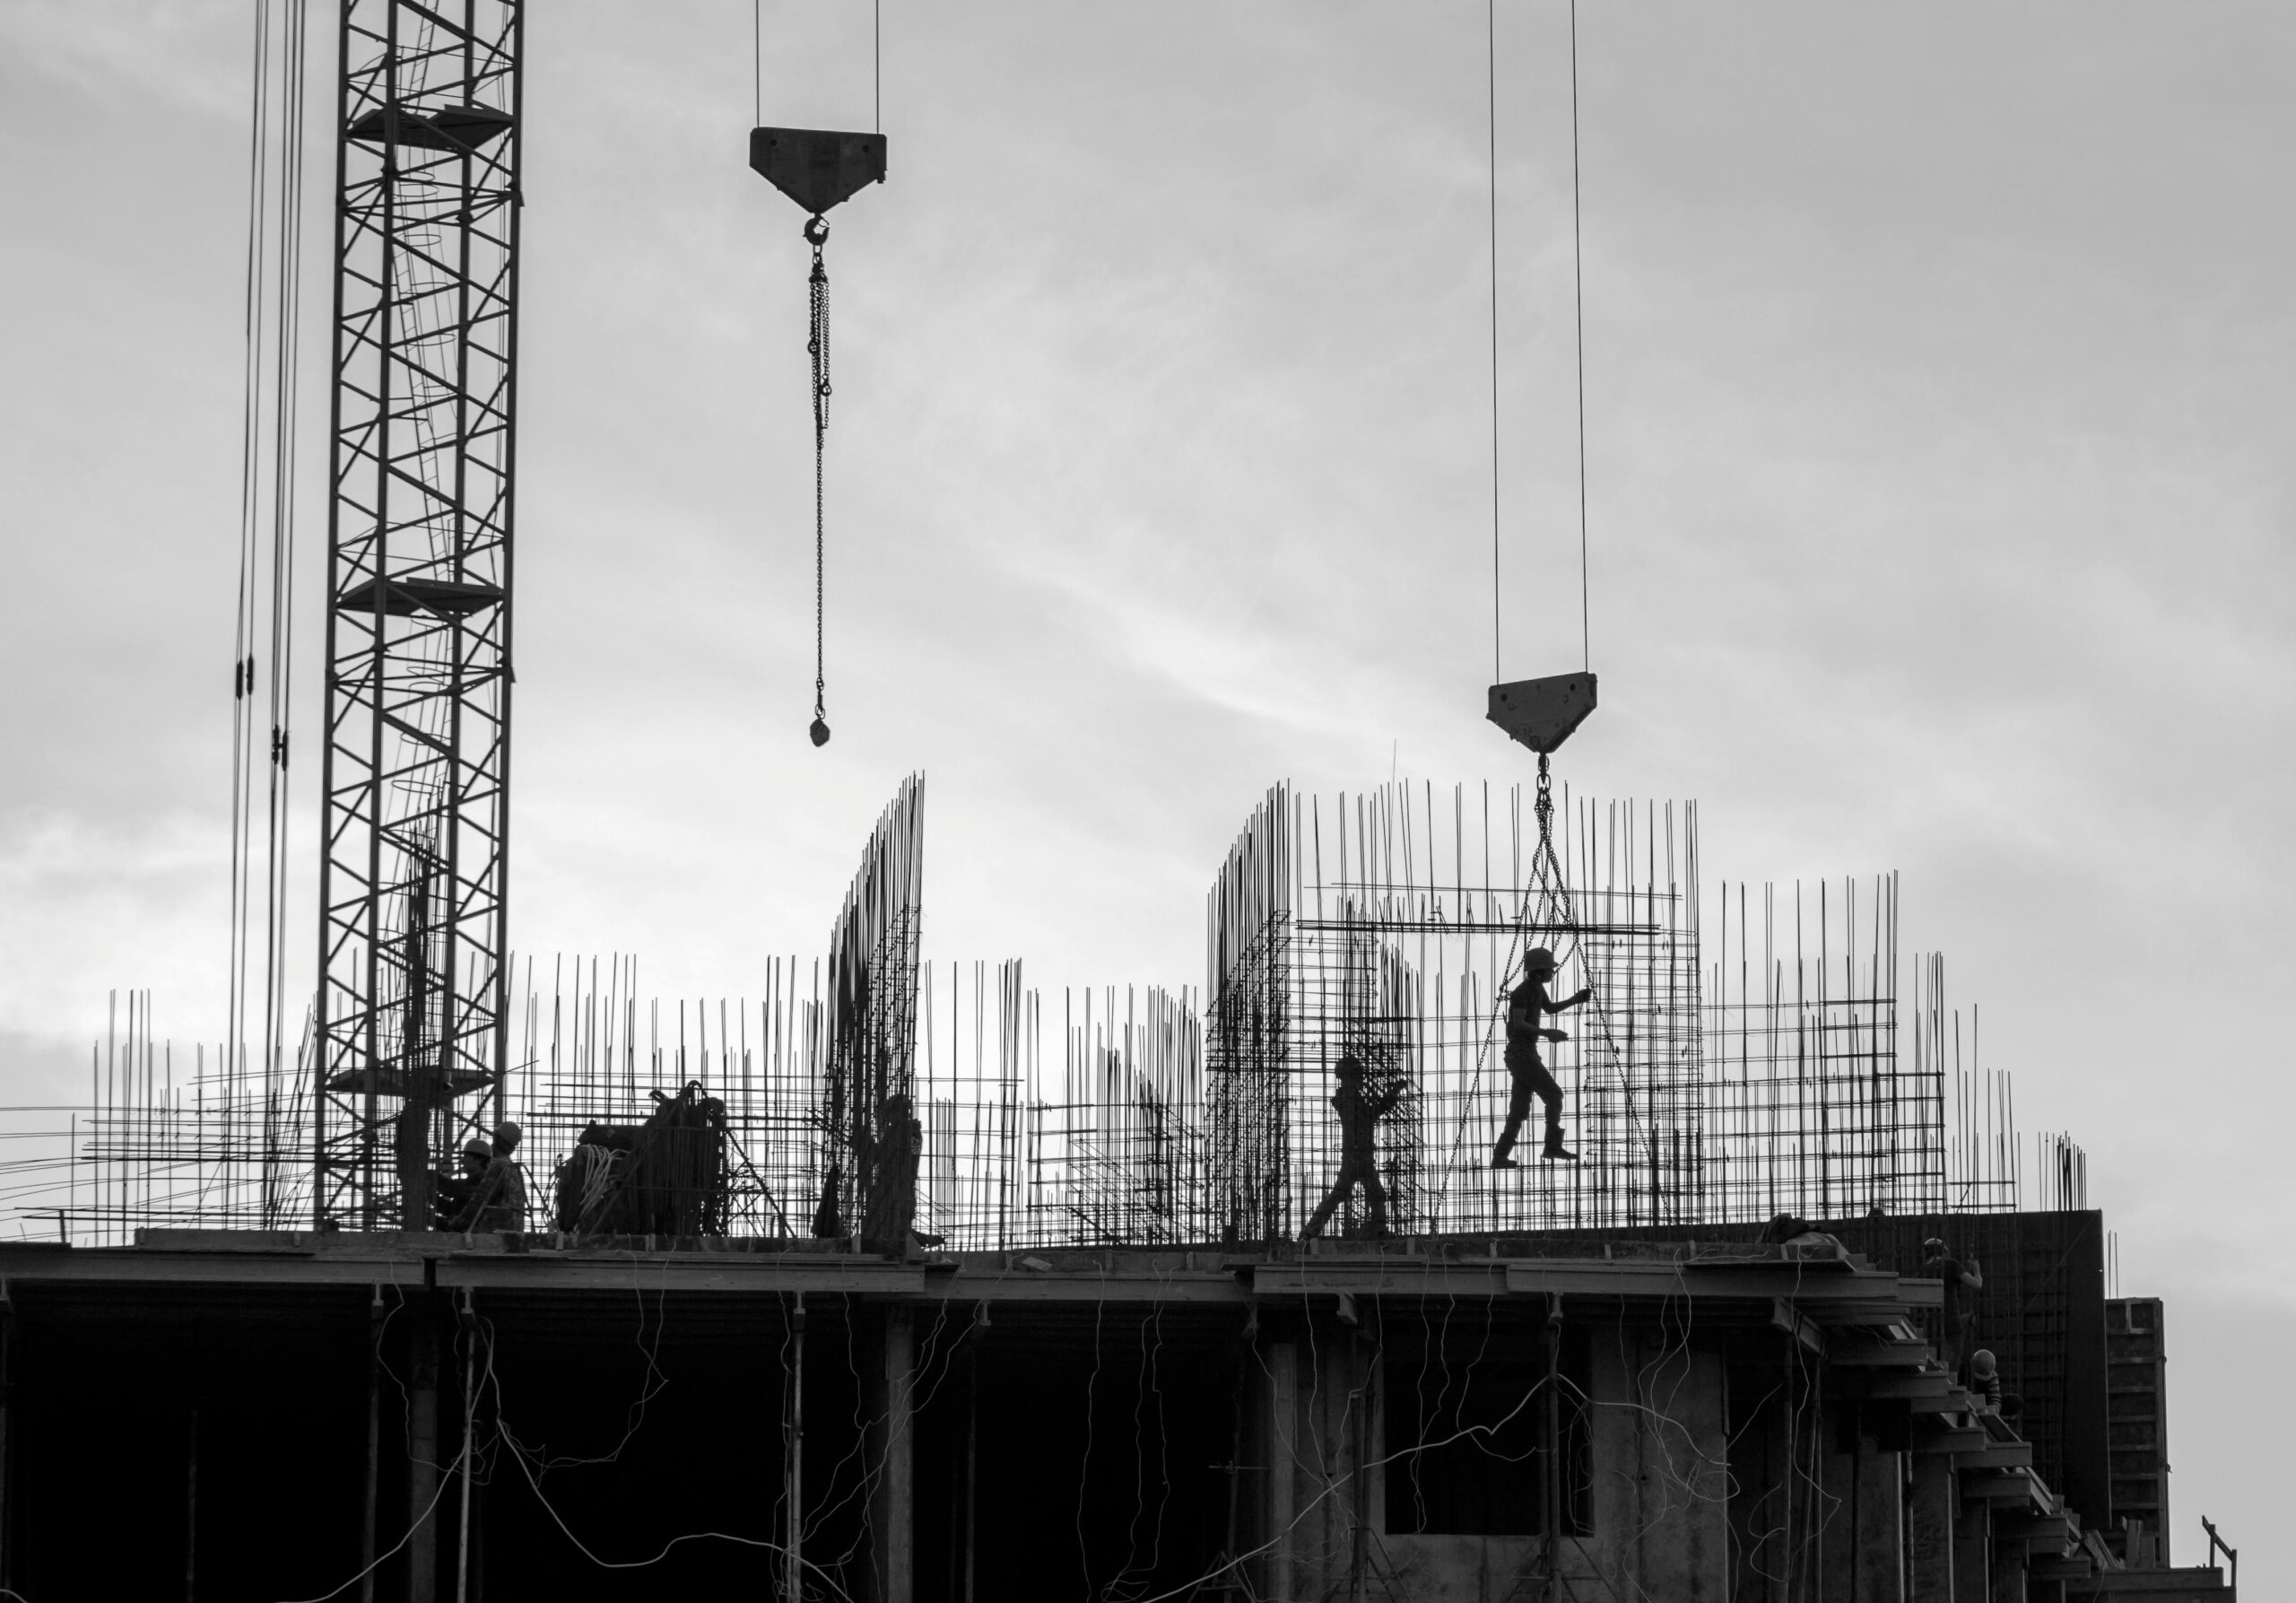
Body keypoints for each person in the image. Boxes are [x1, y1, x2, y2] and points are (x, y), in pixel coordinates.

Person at [1492, 947, 1591, 1166]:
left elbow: (1550, 1009)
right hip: (1521, 1055)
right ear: (1538, 972)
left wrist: (1576, 999)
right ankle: (1552, 1146)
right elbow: (1519, 1024)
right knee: (1554, 1096)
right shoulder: (1521, 992)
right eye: (1549, 970)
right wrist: (1548, 1033)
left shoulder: (1537, 989)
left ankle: (1500, 1156)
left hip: (1525, 1055)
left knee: (1518, 1110)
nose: (1552, 973)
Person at [1301, 1054, 1401, 1241]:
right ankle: (1311, 1231)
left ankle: (1311, 1231)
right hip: (1356, 1157)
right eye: (1359, 1076)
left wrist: (1389, 1095)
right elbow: (1372, 1114)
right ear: (1352, 1078)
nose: (1362, 1080)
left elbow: (1372, 1113)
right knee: (1354, 1194)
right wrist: (1390, 1095)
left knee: (1367, 1194)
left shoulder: (1352, 1098)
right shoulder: (1349, 1100)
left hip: (1360, 1157)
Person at [1921, 1237, 1983, 1373]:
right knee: (1950, 1372)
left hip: (1931, 1330)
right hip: (1951, 1328)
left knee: (1934, 1369)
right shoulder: (1950, 1264)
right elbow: (1977, 1285)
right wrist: (1977, 1271)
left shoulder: (1922, 1273)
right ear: (1944, 1252)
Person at [455, 1120, 527, 1233]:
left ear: (496, 1138)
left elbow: (479, 1200)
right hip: (515, 1231)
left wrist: (457, 1223)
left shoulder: (499, 1167)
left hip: (497, 1231)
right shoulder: (515, 1169)